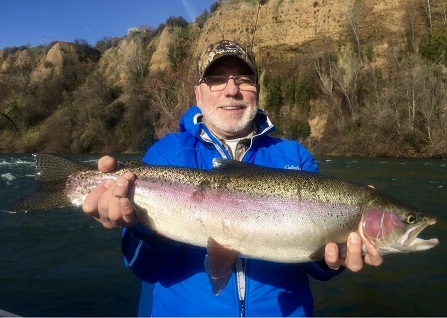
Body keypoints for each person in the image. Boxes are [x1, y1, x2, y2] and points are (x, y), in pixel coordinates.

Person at [82, 40, 383, 316]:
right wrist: (139, 229)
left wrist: (335, 257)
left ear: (256, 91)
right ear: (197, 93)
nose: (231, 90)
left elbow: (317, 267)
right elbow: (145, 268)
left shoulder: (295, 156)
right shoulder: (166, 154)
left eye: (244, 80)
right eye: (216, 80)